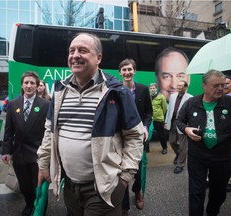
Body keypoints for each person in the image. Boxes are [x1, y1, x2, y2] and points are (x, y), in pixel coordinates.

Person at [37, 33, 144, 216]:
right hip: (69, 185)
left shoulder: (116, 92)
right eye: (72, 51)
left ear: (98, 58)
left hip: (103, 187)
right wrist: (43, 163)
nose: (75, 55)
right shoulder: (60, 91)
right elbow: (50, 131)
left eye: (83, 50)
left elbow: (135, 135)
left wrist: (125, 177)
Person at [176, 70, 231, 216]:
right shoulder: (191, 103)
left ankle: (212, 212)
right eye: (215, 85)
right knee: (196, 191)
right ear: (204, 85)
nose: (220, 89)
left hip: (222, 157)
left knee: (218, 193)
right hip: (197, 156)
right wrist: (186, 129)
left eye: (222, 85)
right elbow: (179, 121)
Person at [1, 71, 49, 216]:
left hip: (37, 154)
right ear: (22, 85)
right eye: (26, 83)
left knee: (38, 185)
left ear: (37, 85)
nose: (29, 86)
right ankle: (29, 204)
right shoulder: (13, 104)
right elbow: (9, 130)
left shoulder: (45, 105)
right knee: (25, 185)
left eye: (32, 83)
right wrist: (6, 151)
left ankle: (40, 208)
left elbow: (49, 132)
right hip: (19, 154)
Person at [118, 58, 152, 215]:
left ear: (134, 71)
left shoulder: (144, 89)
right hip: (120, 138)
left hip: (139, 137)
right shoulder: (116, 90)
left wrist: (145, 126)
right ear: (120, 72)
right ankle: (124, 206)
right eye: (124, 70)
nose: (127, 72)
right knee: (120, 170)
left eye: (129, 69)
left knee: (137, 170)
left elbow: (148, 113)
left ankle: (138, 191)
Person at [165, 80, 192, 174]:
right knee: (172, 142)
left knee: (183, 145)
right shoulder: (172, 96)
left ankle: (180, 165)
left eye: (181, 86)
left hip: (183, 124)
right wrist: (166, 121)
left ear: (185, 87)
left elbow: (190, 113)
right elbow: (169, 110)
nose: (178, 87)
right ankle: (179, 155)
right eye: (178, 85)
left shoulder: (190, 98)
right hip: (172, 122)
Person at [149, 83, 167, 154]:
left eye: (153, 88)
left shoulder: (161, 97)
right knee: (148, 134)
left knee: (161, 135)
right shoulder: (148, 96)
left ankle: (164, 148)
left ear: (156, 89)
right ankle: (147, 148)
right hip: (150, 119)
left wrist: (161, 115)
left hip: (158, 119)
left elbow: (164, 108)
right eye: (151, 88)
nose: (152, 89)